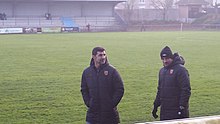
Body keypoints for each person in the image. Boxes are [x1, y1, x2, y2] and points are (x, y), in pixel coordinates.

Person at [81, 47, 124, 124]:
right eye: (100, 55)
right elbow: (84, 89)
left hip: (110, 116)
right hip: (92, 116)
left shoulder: (112, 71)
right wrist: (89, 103)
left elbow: (120, 89)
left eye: (104, 55)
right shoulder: (87, 72)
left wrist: (111, 104)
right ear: (94, 56)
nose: (103, 57)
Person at [152, 46, 191, 121]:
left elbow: (186, 90)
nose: (165, 61)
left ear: (172, 58)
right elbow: (160, 90)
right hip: (165, 111)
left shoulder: (181, 70)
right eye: (163, 59)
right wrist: (156, 105)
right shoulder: (162, 71)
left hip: (177, 111)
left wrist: (182, 107)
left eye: (167, 58)